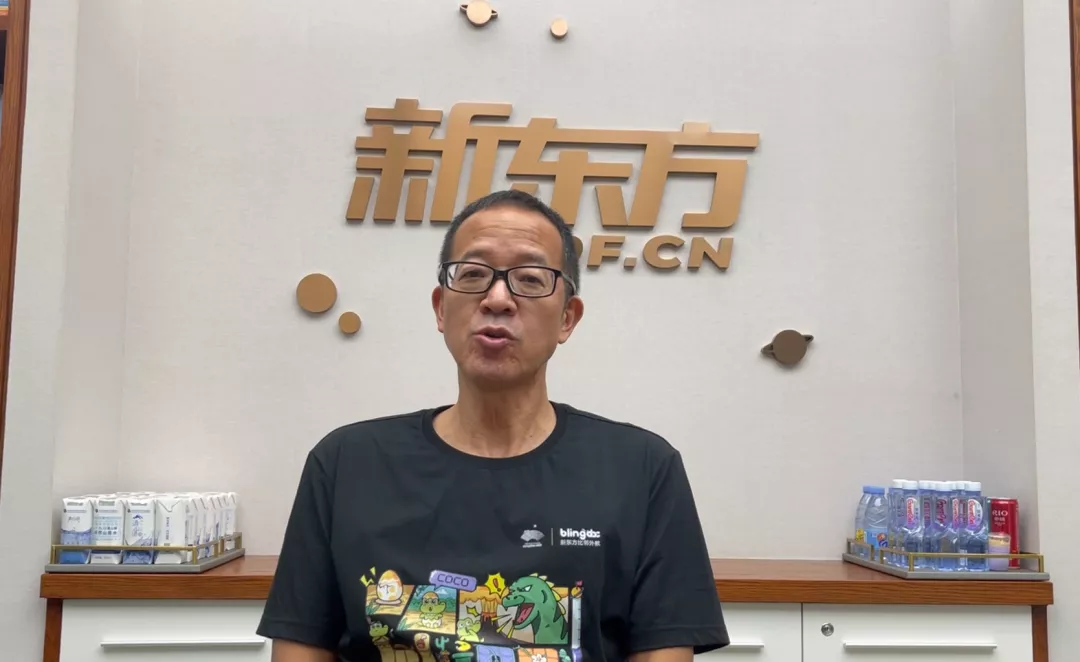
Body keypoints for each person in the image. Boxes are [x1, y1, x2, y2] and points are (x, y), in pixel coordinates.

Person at [257, 189, 729, 662]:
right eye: (474, 274)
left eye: (530, 278)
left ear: (567, 318)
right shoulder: (346, 464)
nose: (497, 298)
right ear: (441, 308)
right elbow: (301, 648)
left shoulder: (642, 470)